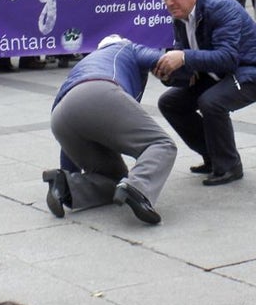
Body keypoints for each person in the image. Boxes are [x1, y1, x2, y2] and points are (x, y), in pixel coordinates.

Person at [152, 0, 256, 186]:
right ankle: (212, 156)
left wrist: (183, 58)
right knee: (170, 102)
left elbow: (227, 57)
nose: (168, 2)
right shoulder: (180, 15)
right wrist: (168, 73)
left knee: (211, 101)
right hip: (221, 72)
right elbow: (188, 60)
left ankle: (229, 165)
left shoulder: (221, 8)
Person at [42, 35, 175, 224]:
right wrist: (189, 70)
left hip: (60, 116)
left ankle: (67, 187)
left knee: (115, 178)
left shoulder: (85, 63)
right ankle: (139, 189)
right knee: (161, 144)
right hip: (100, 93)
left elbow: (71, 137)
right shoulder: (126, 48)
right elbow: (161, 60)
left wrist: (68, 173)